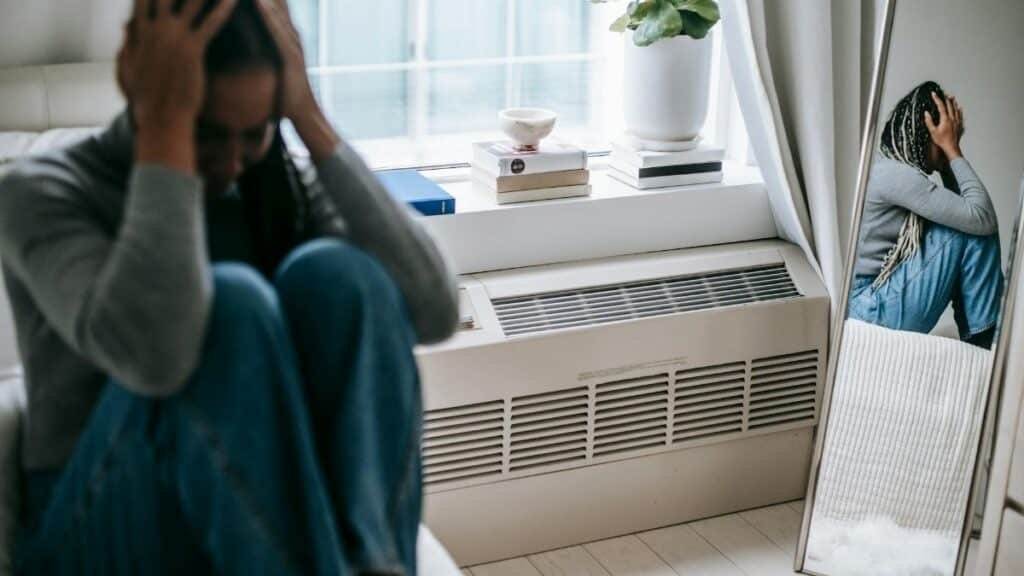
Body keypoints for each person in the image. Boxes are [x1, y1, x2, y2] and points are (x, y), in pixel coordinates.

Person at [0, 0, 458, 573]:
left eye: (254, 134)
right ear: (141, 82)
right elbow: (156, 359)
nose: (230, 164)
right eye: (207, 133)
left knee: (342, 277)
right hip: (92, 523)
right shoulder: (44, 192)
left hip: (244, 512)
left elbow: (435, 312)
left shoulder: (273, 187)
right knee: (232, 304)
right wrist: (166, 131)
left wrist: (309, 120)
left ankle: (377, 563)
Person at [848, 81, 1003, 349]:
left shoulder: (888, 167)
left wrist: (946, 162)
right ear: (928, 132)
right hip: (869, 310)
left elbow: (969, 212)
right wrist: (953, 151)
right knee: (971, 229)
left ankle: (984, 337)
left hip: (868, 305)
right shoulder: (896, 176)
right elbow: (980, 217)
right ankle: (986, 340)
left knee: (970, 225)